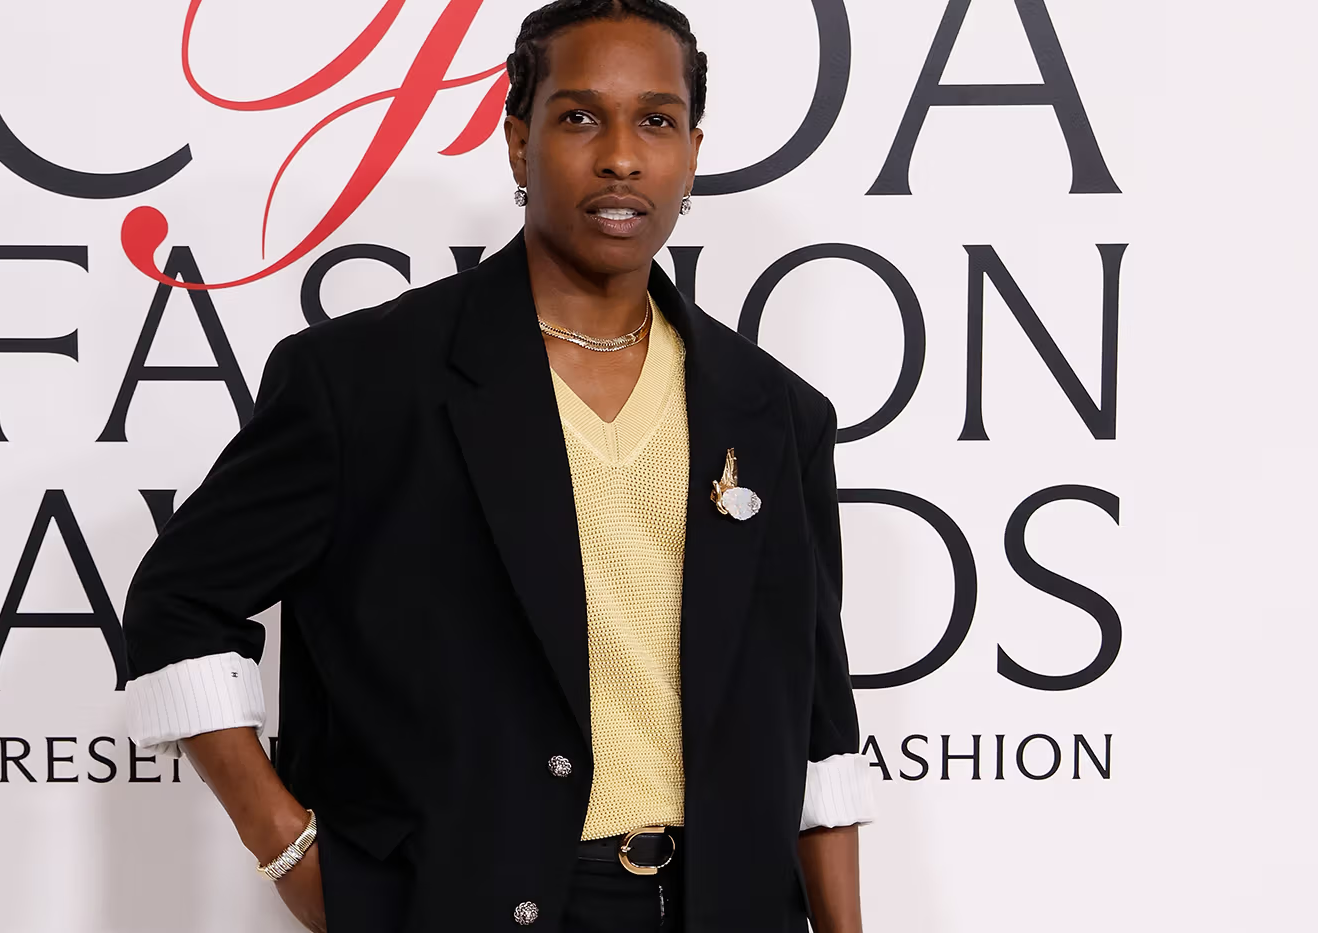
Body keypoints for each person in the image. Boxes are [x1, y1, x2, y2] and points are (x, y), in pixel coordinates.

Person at [121, 1, 876, 930]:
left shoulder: (774, 412)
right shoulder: (365, 382)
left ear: (691, 152)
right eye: (580, 116)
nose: (621, 157)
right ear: (519, 142)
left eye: (656, 120)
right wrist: (287, 846)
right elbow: (177, 605)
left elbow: (817, 720)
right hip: (461, 904)